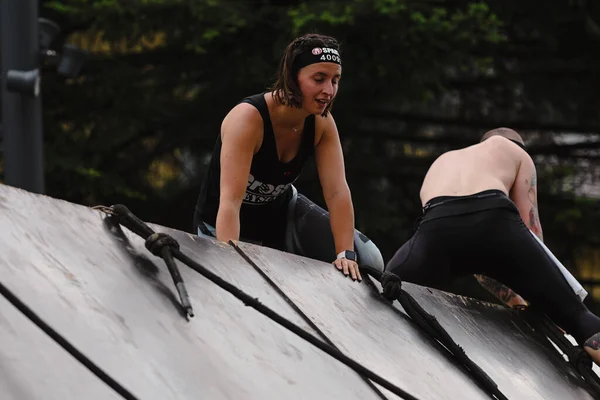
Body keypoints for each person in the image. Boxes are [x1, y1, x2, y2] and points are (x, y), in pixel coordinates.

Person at [381, 127, 600, 365]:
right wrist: (547, 297)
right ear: (517, 144)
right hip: (494, 218)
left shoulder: (444, 161)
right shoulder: (513, 151)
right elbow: (531, 232)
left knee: (387, 285)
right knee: (579, 318)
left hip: (436, 227)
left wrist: (518, 303)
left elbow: (480, 264)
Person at [193, 33, 384, 281]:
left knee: (367, 257)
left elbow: (337, 191)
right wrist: (230, 259)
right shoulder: (248, 119)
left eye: (335, 80)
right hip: (221, 224)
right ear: (293, 78)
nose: (329, 90)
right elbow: (230, 201)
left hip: (280, 217)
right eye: (319, 79)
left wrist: (345, 254)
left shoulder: (322, 124)